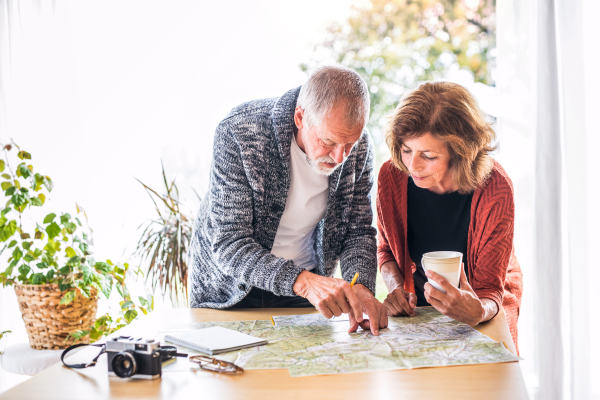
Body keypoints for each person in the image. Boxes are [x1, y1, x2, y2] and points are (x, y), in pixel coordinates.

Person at [189, 66, 387, 335]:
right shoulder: (239, 132)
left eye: (349, 144)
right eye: (328, 141)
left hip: (307, 293)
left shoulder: (360, 146)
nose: (340, 157)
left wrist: (361, 287)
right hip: (231, 293)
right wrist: (303, 282)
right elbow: (229, 243)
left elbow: (357, 230)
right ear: (300, 117)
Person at [377, 82, 523, 350]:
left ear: (460, 152)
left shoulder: (496, 187)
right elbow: (385, 250)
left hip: (485, 307)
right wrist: (397, 287)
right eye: (406, 150)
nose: (412, 166)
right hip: (418, 313)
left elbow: (492, 289)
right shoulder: (391, 176)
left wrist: (477, 311)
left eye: (428, 156)